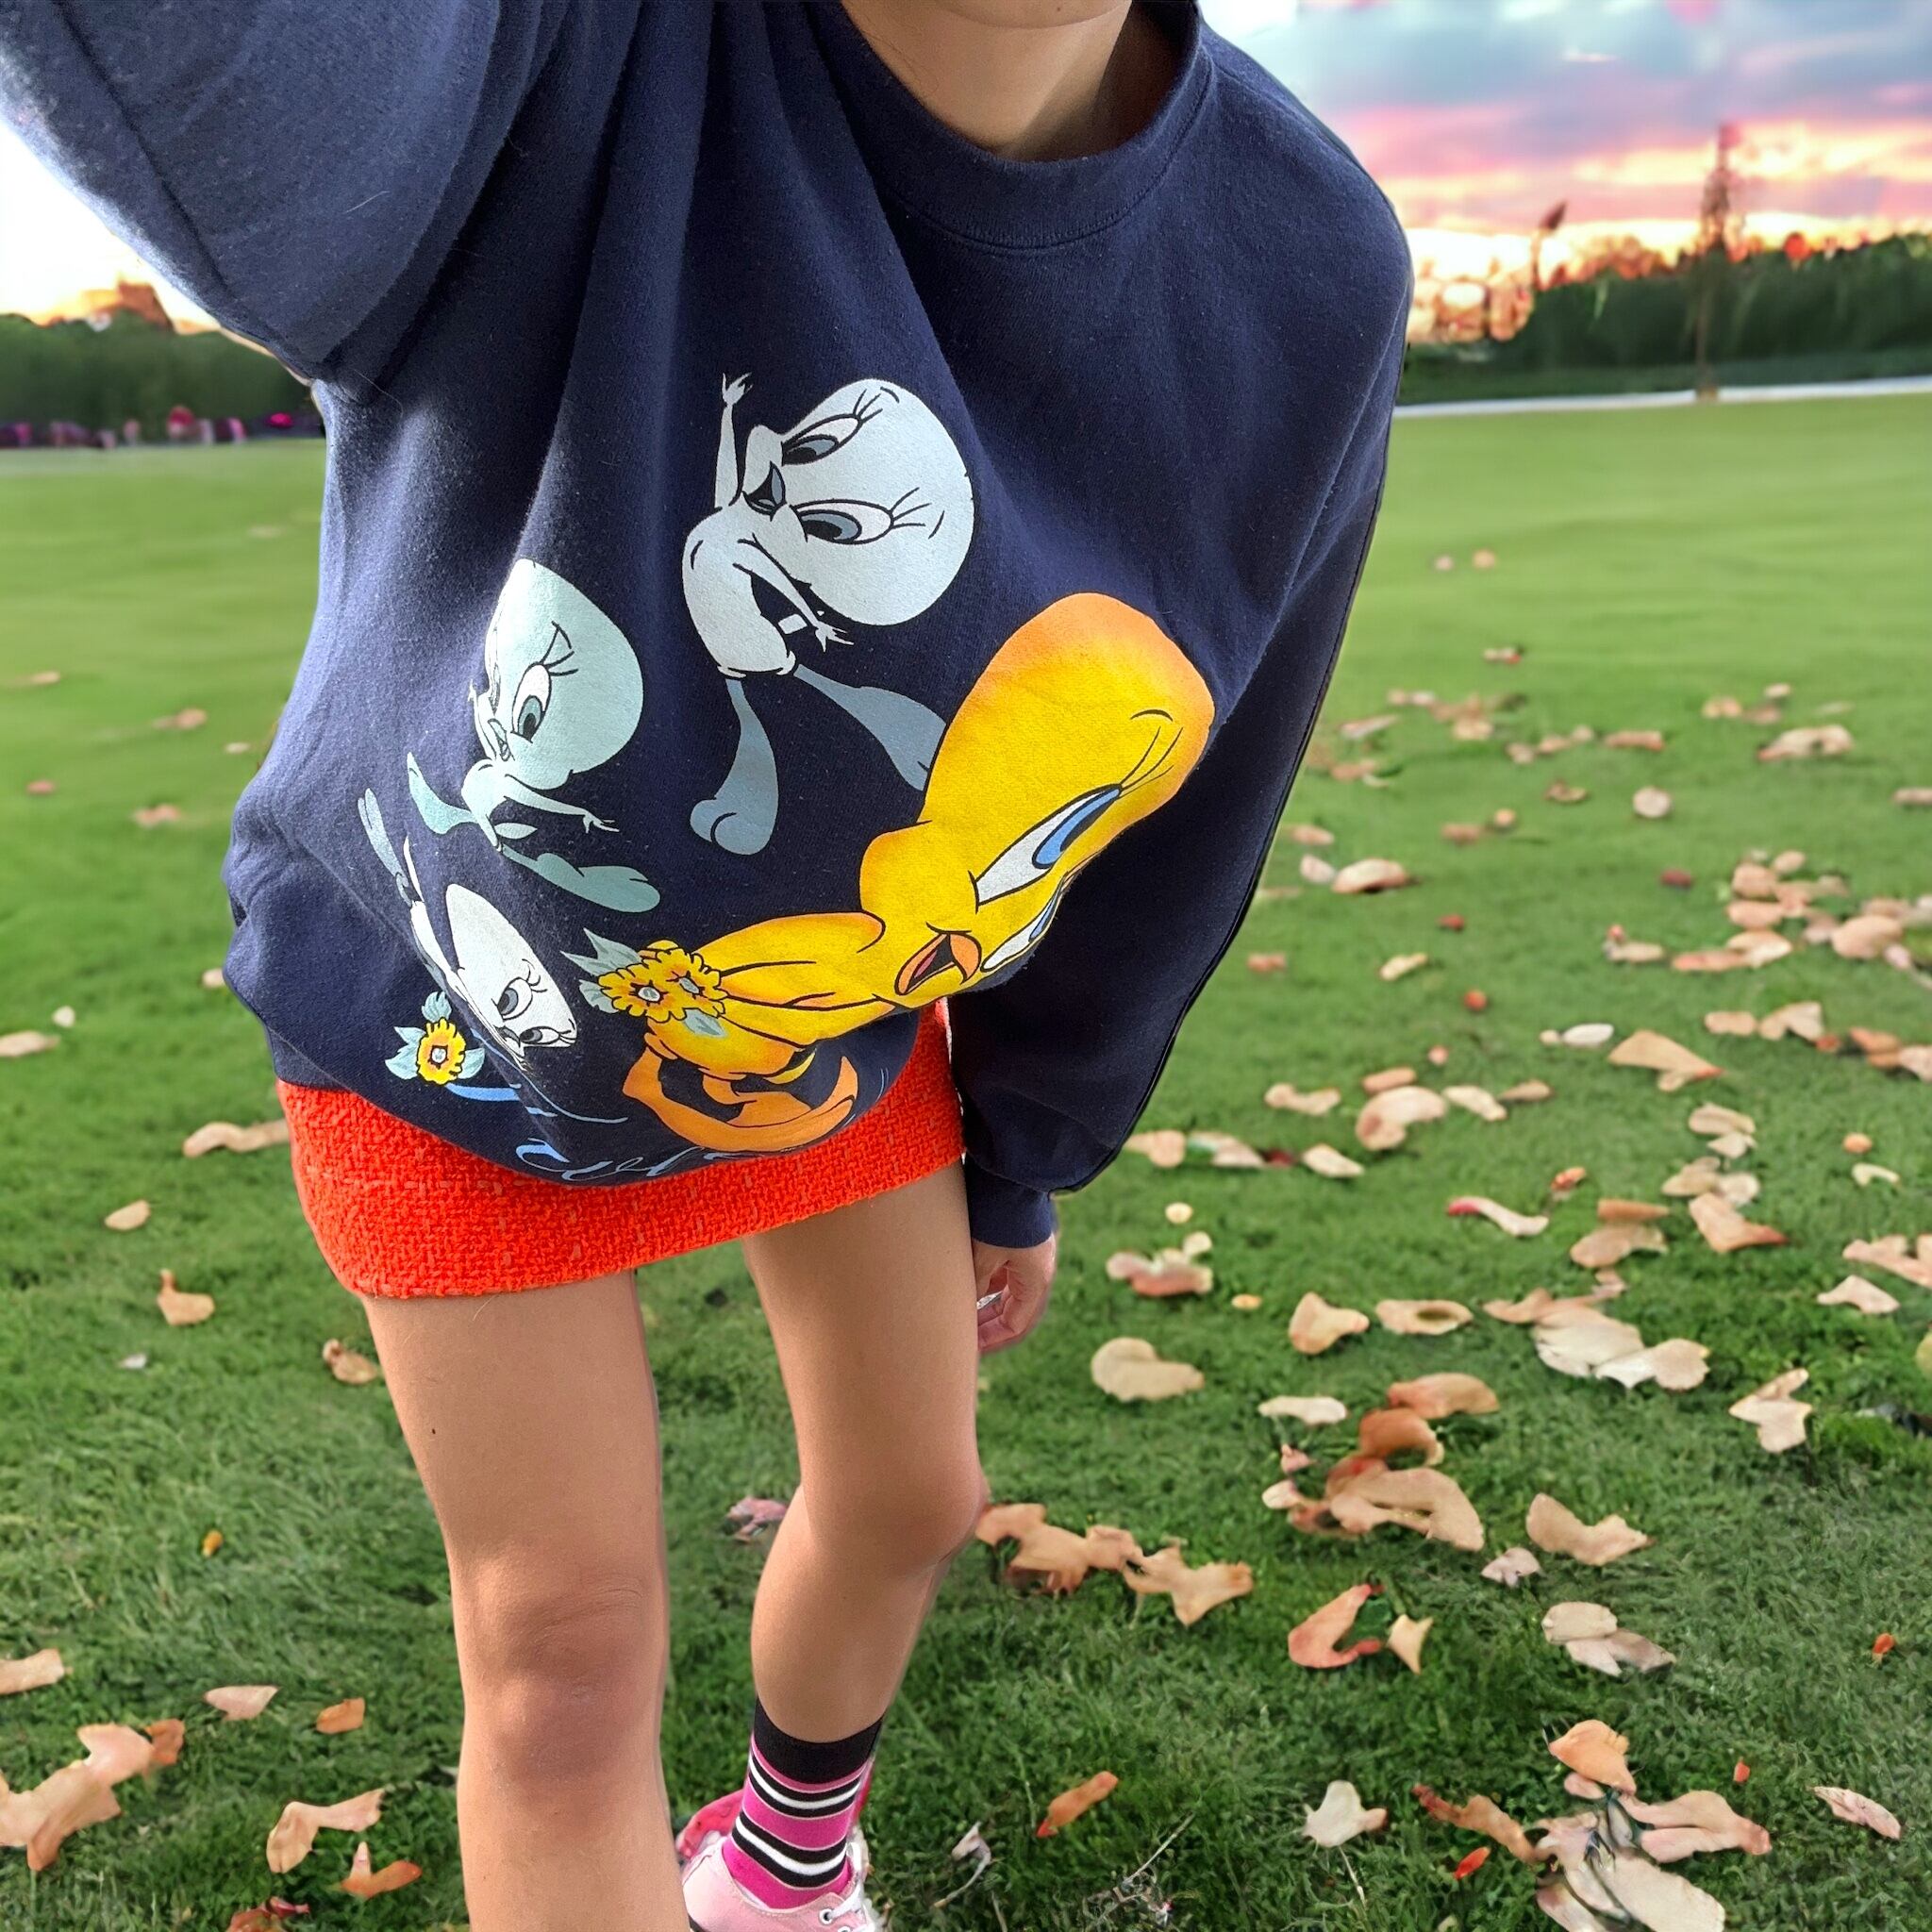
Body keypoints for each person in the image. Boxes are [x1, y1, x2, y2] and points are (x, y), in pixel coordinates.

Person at [0, 3, 1408, 1925]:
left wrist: (1026, 1149)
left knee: (914, 1496)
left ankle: (779, 1866)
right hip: (436, 1011)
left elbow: (1194, 805)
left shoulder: (1306, 263)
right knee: (566, 1654)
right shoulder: (542, 48)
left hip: (825, 1029)